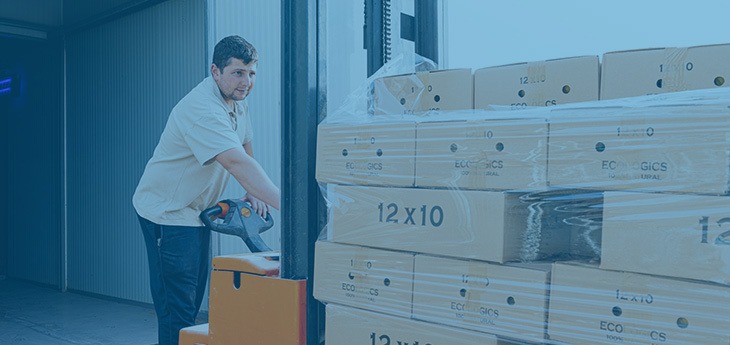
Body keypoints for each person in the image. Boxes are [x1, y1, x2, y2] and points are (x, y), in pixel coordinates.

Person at [132, 35, 280, 345]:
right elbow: (235, 162)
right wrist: (291, 207)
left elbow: (244, 142)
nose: (247, 82)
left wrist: (252, 191)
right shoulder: (201, 109)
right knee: (179, 310)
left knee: (193, 300)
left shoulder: (237, 100)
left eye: (252, 73)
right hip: (168, 213)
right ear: (216, 71)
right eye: (238, 73)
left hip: (195, 210)